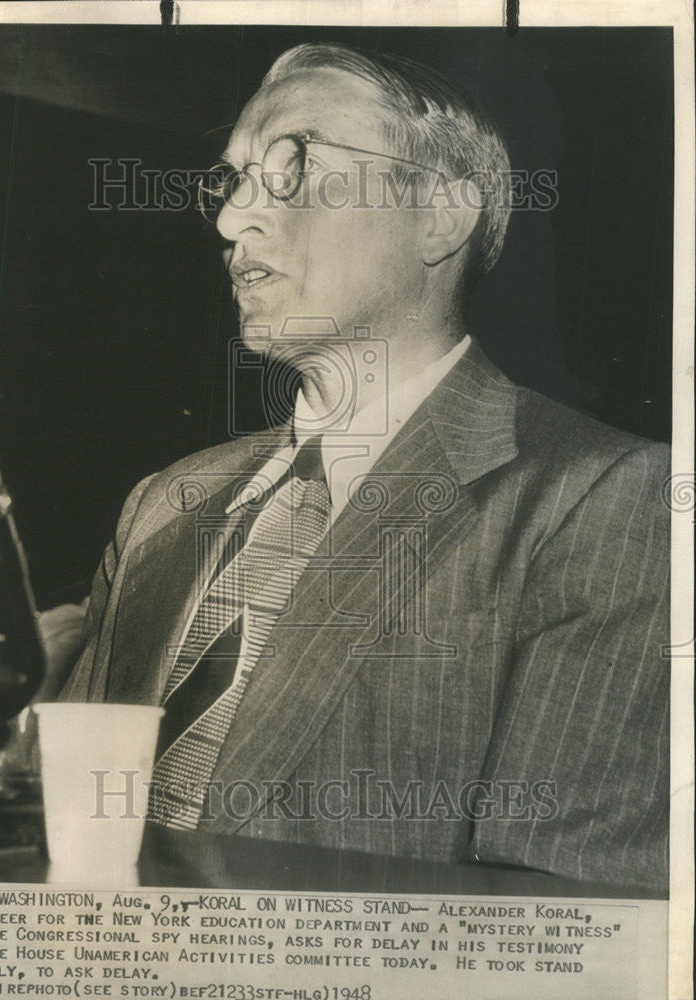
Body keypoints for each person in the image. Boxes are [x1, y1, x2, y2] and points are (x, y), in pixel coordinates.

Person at [60, 43, 669, 892]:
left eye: (292, 166)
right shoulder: (161, 505)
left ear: (440, 217)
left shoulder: (607, 502)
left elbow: (565, 927)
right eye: (229, 182)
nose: (233, 219)